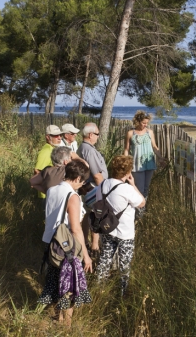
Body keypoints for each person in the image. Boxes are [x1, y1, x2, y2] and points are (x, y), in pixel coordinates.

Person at [38, 160, 93, 326]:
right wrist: (86, 254)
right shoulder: (73, 197)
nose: (81, 186)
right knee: (70, 285)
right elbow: (76, 229)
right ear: (76, 179)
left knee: (55, 281)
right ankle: (67, 325)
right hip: (66, 246)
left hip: (50, 241)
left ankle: (58, 317)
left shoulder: (52, 189)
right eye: (82, 182)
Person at [95, 155, 145, 297]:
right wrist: (133, 184)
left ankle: (100, 288)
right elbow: (142, 202)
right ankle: (122, 292)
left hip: (107, 229)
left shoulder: (103, 185)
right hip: (125, 233)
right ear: (128, 172)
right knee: (124, 264)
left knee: (105, 258)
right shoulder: (127, 189)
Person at [76, 122, 108, 251]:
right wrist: (106, 190)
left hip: (88, 189)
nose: (98, 137)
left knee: (88, 216)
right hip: (94, 189)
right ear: (90, 135)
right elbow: (97, 175)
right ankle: (94, 248)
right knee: (97, 216)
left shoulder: (83, 147)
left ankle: (85, 242)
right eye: (97, 134)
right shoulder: (88, 150)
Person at [123, 110, 165, 201]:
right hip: (136, 165)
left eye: (147, 123)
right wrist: (126, 165)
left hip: (149, 164)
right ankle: (138, 211)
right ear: (138, 121)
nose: (145, 125)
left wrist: (160, 158)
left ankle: (142, 209)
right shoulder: (131, 133)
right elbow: (126, 149)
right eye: (143, 123)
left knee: (146, 189)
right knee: (139, 189)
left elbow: (154, 146)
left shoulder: (149, 132)